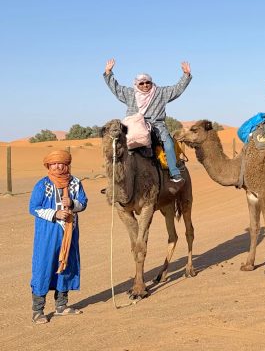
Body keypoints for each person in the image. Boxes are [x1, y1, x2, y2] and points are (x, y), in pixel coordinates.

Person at [103, 58, 191, 187]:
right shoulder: (129, 93)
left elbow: (177, 89)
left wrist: (186, 75)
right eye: (142, 83)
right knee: (116, 147)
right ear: (137, 84)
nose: (145, 85)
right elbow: (116, 88)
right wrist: (108, 72)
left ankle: (174, 172)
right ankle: (115, 180)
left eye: (147, 82)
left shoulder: (160, 93)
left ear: (151, 82)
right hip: (134, 126)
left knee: (169, 145)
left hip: (156, 126)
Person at [29, 149, 88, 324]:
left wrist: (73, 204)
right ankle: (38, 311)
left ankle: (61, 305)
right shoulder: (43, 185)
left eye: (61, 163)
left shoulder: (75, 183)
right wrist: (55, 214)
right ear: (48, 165)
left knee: (66, 265)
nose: (57, 166)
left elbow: (84, 203)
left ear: (67, 164)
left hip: (69, 232)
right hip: (47, 233)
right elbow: (33, 207)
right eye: (54, 163)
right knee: (44, 266)